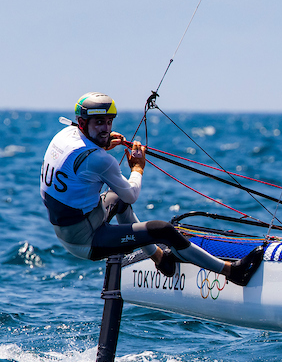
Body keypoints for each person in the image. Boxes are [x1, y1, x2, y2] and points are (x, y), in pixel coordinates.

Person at [40, 92, 263, 285]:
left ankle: (161, 260)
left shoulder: (64, 136)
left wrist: (104, 143)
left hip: (75, 225)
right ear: (82, 122)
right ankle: (233, 272)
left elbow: (80, 163)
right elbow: (132, 195)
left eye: (109, 121)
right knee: (162, 230)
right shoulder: (100, 160)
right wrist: (137, 168)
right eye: (99, 122)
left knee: (118, 197)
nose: (106, 129)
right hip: (86, 241)